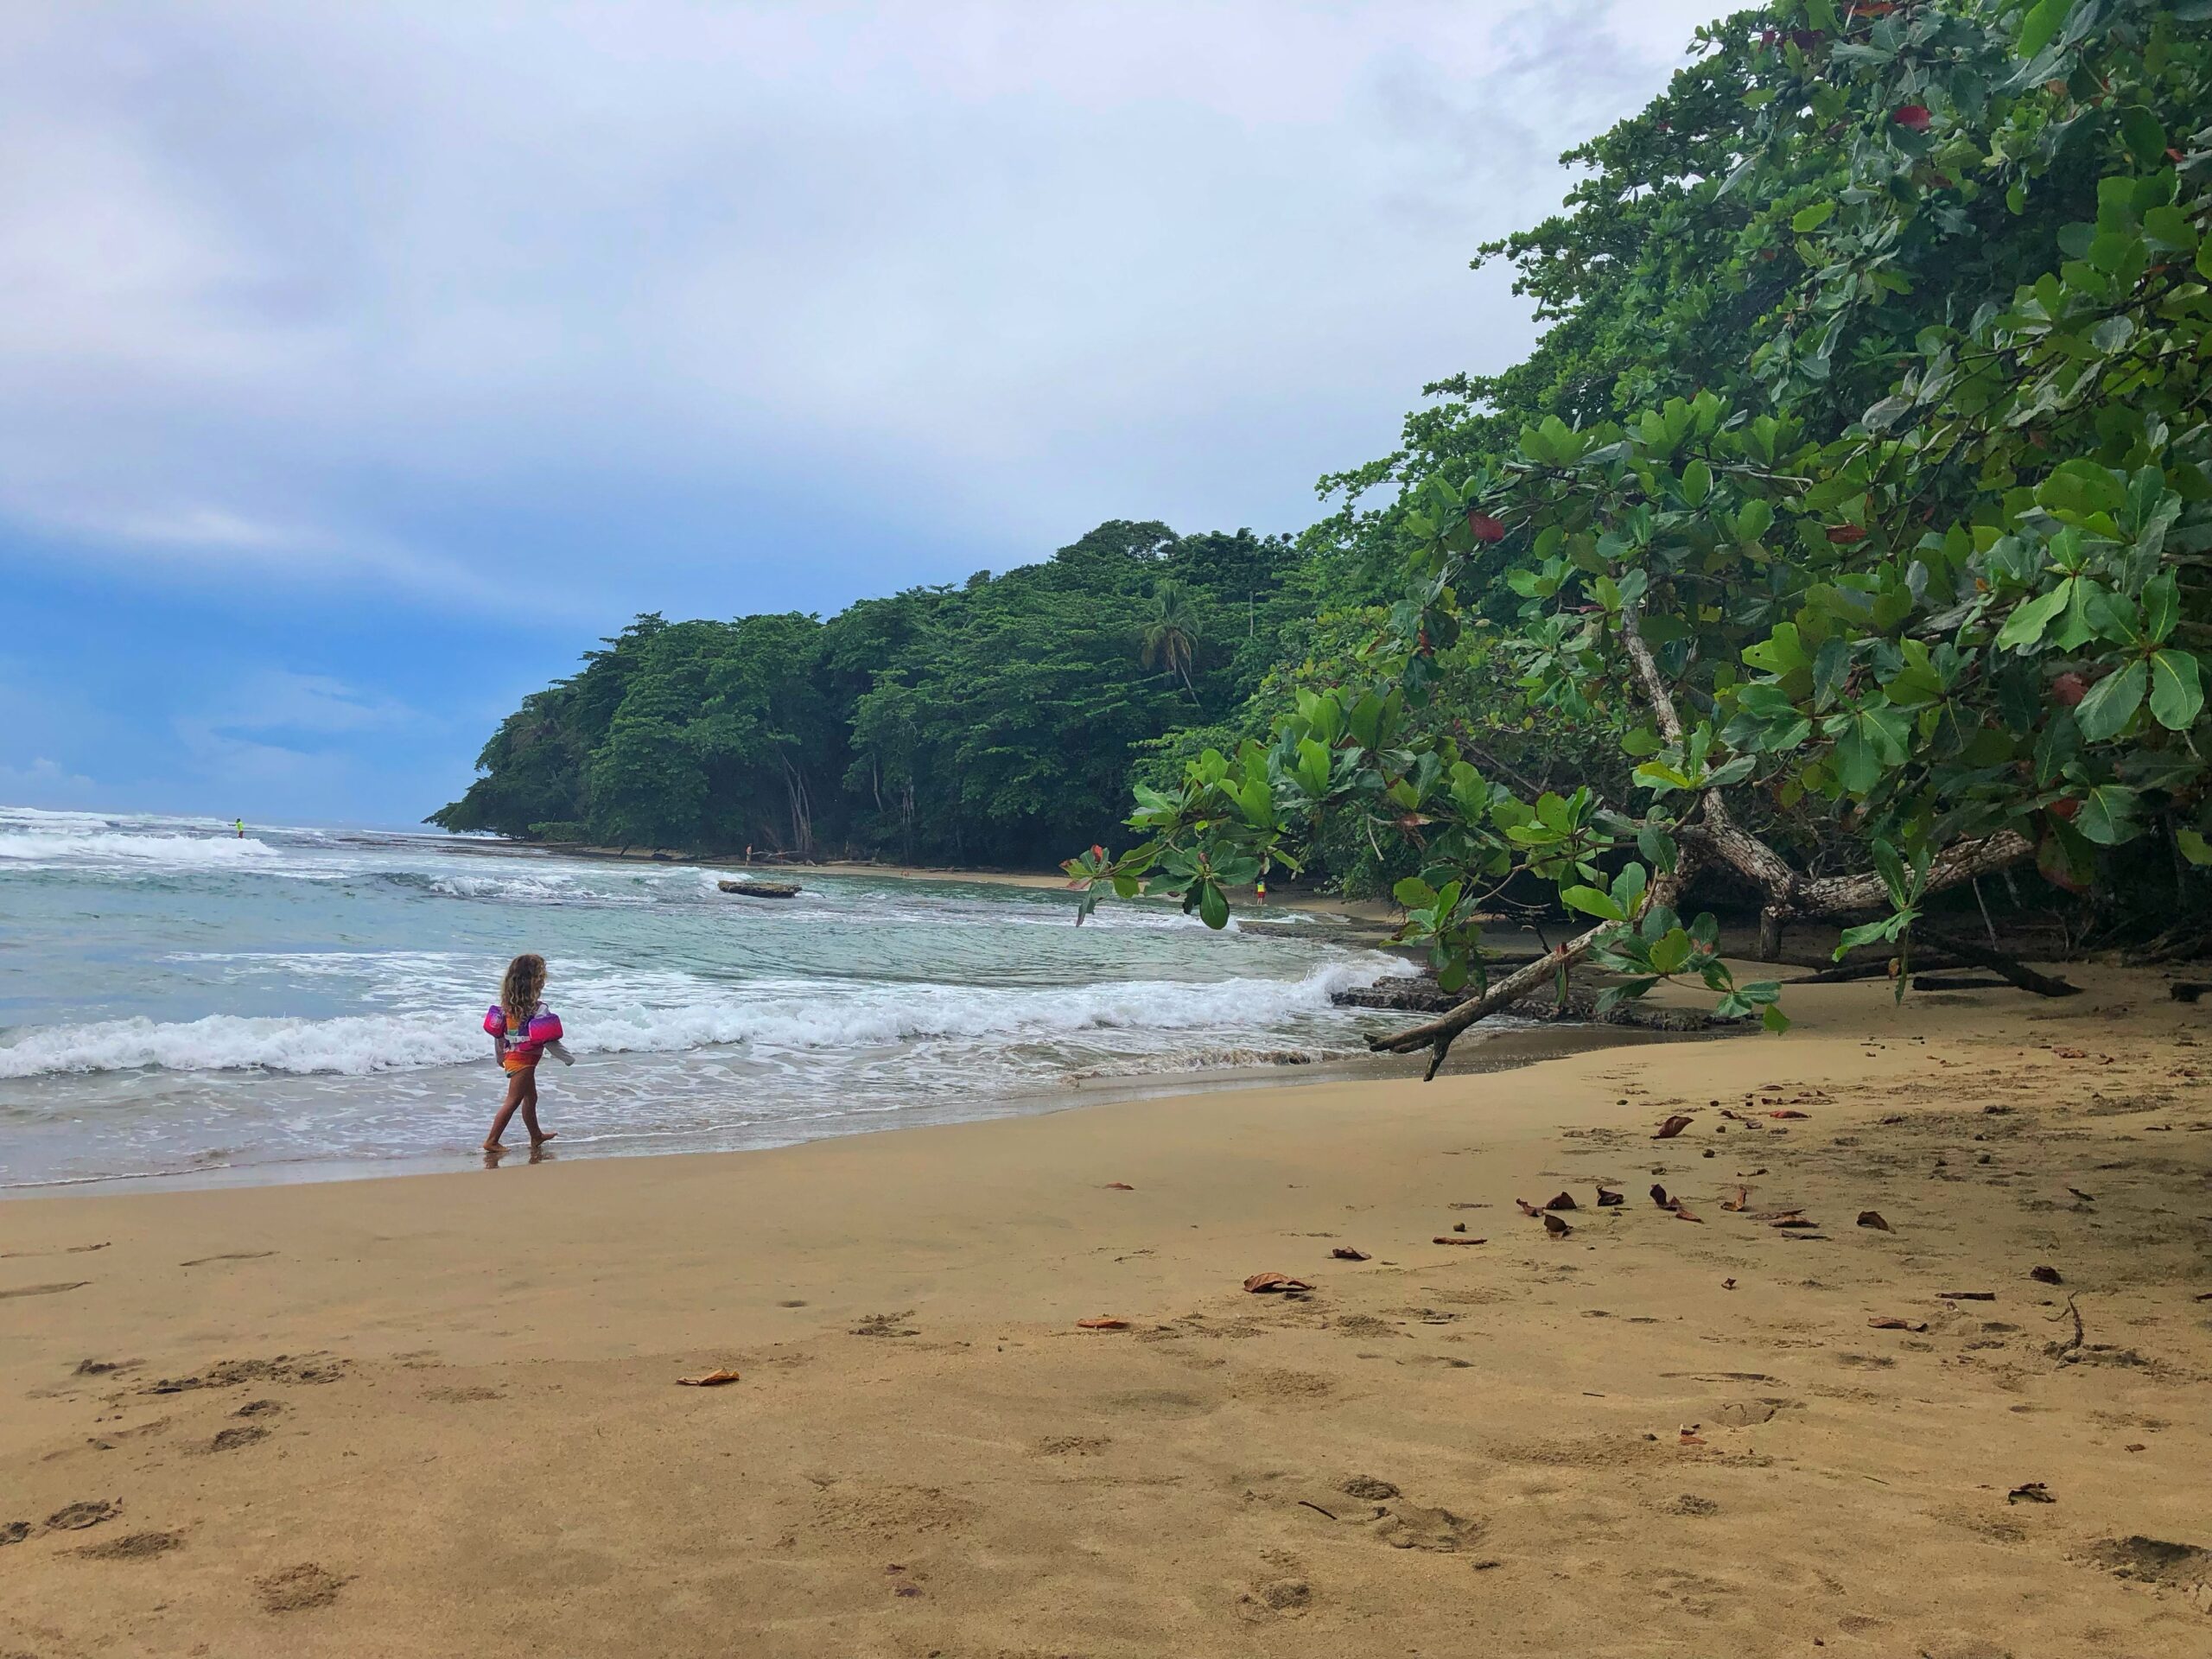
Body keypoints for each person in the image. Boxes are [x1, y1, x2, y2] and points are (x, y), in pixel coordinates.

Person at [482, 953, 564, 1153]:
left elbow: (499, 1034)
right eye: (541, 977)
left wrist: (499, 1055)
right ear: (535, 981)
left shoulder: (507, 1007)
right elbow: (550, 1040)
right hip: (524, 1060)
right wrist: (566, 1058)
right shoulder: (537, 1009)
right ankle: (491, 1141)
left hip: (515, 1056)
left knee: (531, 1097)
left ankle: (536, 1136)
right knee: (513, 1100)